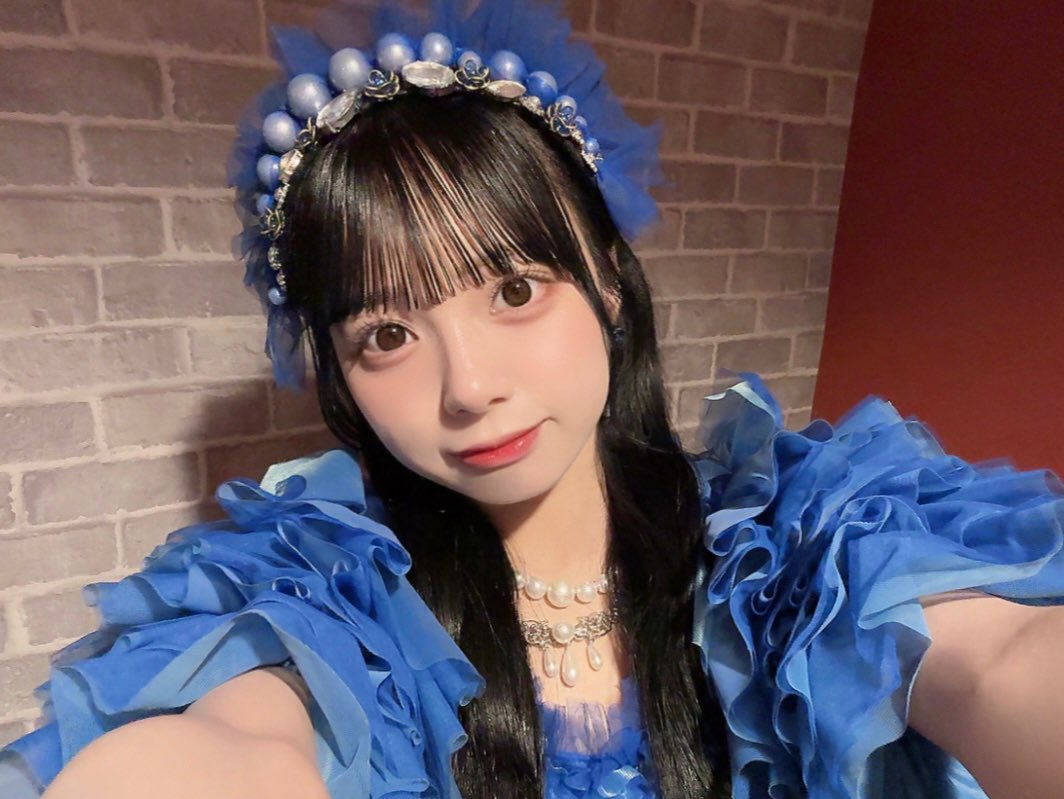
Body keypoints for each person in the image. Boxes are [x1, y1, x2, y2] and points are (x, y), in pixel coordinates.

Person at [2, 1, 1063, 798]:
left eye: (513, 290)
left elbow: (991, 662)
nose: (470, 388)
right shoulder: (340, 599)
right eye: (386, 335)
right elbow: (234, 735)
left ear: (607, 279)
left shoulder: (785, 549)